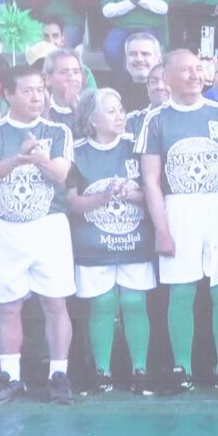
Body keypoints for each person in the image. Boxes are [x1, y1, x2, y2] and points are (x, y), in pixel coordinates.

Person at [140, 48, 218, 393]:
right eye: (184, 70)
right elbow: (151, 180)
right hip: (178, 209)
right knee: (181, 289)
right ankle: (181, 367)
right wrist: (161, 229)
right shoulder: (156, 119)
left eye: (197, 68)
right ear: (166, 78)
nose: (194, 75)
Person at [0, 66, 77, 403]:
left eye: (40, 90)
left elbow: (60, 173)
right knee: (7, 306)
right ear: (8, 94)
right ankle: (11, 377)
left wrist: (40, 159)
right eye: (28, 90)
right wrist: (18, 160)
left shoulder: (58, 130)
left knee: (55, 302)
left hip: (49, 226)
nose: (37, 97)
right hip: (4, 227)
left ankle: (59, 375)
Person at [64, 88, 155, 394]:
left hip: (135, 241)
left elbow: (153, 191)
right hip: (93, 245)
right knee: (102, 304)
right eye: (112, 111)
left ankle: (140, 370)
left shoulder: (136, 146)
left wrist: (133, 195)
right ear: (92, 119)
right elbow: (72, 202)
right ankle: (102, 372)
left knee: (134, 302)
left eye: (121, 109)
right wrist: (101, 198)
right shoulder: (76, 151)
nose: (120, 116)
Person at [113, 31, 162, 112]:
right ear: (126, 60)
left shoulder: (171, 94)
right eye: (133, 54)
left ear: (159, 60)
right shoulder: (115, 95)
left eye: (145, 54)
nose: (139, 59)